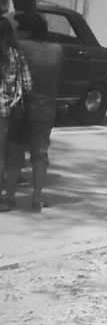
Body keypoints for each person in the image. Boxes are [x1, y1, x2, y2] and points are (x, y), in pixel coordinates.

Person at [5, 12, 63, 211]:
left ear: (27, 31)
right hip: (46, 108)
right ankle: (37, 197)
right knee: (40, 153)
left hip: (22, 107)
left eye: (19, 29)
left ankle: (9, 197)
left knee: (15, 153)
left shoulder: (21, 48)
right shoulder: (57, 50)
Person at [0, 17, 32, 212]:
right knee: (11, 156)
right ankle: (9, 198)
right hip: (10, 111)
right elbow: (27, 85)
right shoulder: (16, 54)